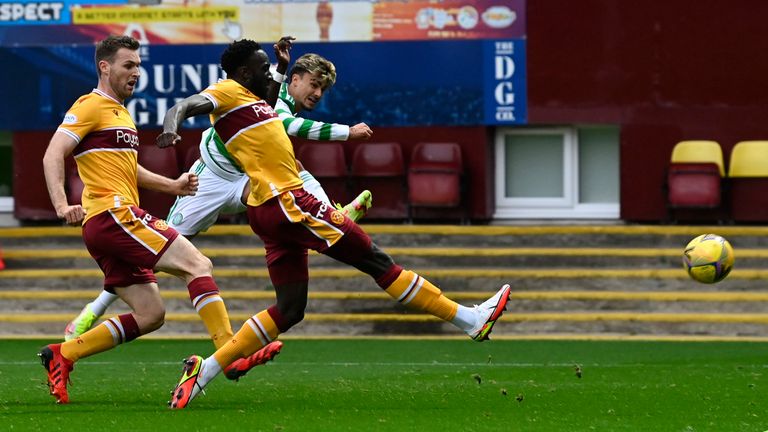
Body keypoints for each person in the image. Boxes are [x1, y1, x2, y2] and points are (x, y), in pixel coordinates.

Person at [155, 38, 512, 409]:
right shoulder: (228, 92)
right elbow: (187, 104)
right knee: (377, 260)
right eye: (262, 69)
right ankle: (470, 320)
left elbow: (273, 99)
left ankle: (204, 374)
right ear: (243, 74)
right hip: (290, 202)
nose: (269, 74)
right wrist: (171, 126)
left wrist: (278, 67)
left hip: (269, 209)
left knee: (290, 309)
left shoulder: (257, 103)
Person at [61, 44, 373, 382]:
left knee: (295, 173)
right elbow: (283, 121)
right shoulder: (241, 93)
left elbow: (273, 107)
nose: (316, 93)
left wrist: (281, 68)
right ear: (293, 80)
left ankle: (334, 215)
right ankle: (96, 307)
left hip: (244, 181)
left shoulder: (268, 92)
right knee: (164, 250)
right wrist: (347, 131)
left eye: (322, 89)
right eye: (313, 84)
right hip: (208, 180)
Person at [38, 35, 259, 404]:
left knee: (151, 313)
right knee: (197, 264)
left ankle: (64, 353)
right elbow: (52, 154)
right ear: (105, 67)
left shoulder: (121, 112)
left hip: (106, 224)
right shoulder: (90, 104)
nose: (136, 72)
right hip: (113, 214)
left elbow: (130, 168)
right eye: (128, 65)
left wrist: (171, 185)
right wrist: (62, 205)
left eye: (139, 66)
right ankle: (230, 354)